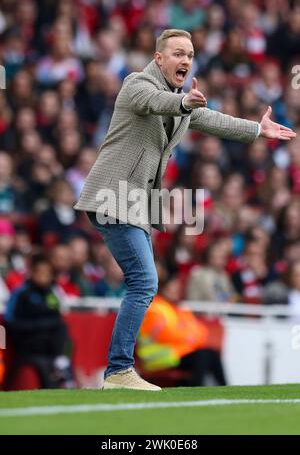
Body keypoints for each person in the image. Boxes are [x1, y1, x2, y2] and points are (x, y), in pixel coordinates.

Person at [74, 29, 296, 391]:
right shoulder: (136, 84)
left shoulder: (182, 101)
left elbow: (214, 120)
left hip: (134, 205)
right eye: (178, 53)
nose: (186, 60)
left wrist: (257, 129)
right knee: (144, 282)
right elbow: (155, 102)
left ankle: (119, 371)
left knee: (143, 282)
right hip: (112, 198)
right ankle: (118, 372)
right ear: (158, 58)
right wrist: (183, 104)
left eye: (190, 54)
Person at [4, 254, 73, 389]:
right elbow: (10, 322)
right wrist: (40, 325)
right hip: (26, 342)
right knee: (55, 333)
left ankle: (62, 366)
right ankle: (61, 369)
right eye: (41, 272)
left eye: (47, 273)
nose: (44, 277)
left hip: (48, 343)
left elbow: (57, 317)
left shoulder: (51, 294)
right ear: (32, 272)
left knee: (63, 331)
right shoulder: (21, 293)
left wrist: (47, 324)